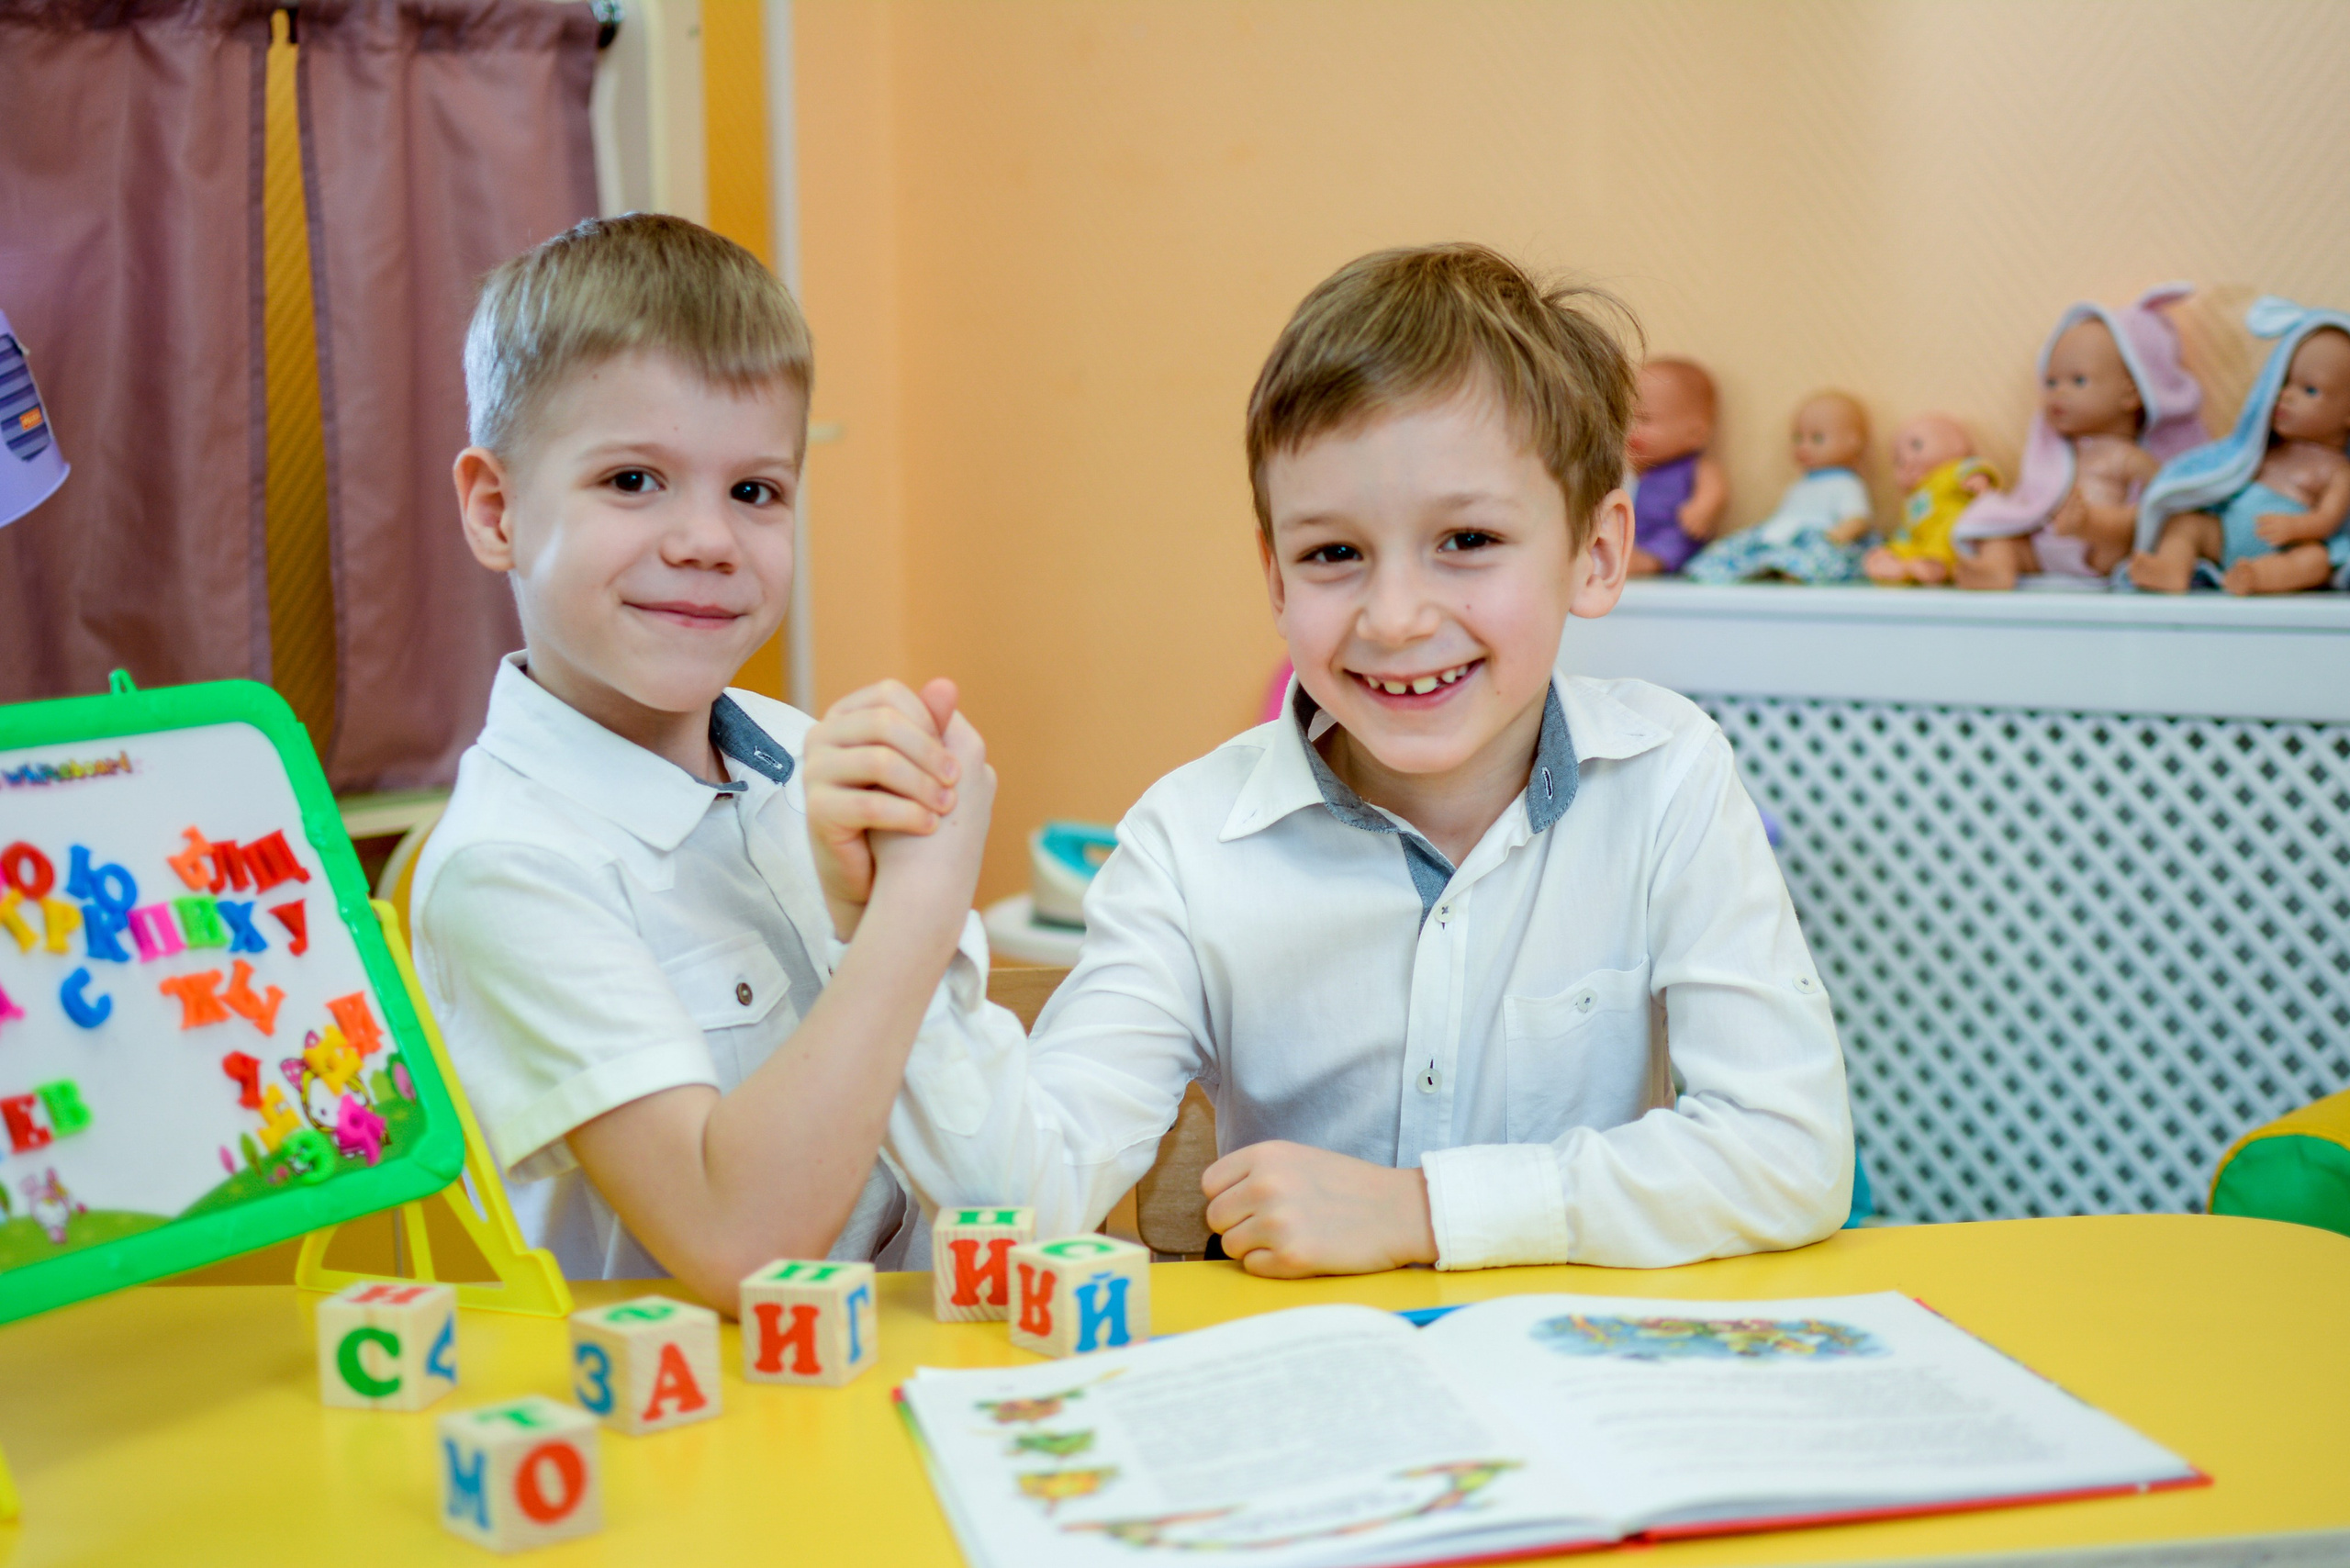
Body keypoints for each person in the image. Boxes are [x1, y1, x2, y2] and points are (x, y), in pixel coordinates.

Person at [867, 243, 1853, 1276]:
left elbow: (1790, 1152)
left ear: (1596, 553)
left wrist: (1426, 1211)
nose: (1394, 618)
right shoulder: (1188, 843)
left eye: (1466, 539)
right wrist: (910, 920)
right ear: (1276, 579)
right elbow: (1018, 1209)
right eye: (1333, 554)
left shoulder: (1667, 776)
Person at [412, 213, 1001, 1305]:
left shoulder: (806, 757)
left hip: (917, 1356)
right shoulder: (509, 865)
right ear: (497, 511)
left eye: (754, 491)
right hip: (706, 1400)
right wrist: (911, 914)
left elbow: (982, 1163)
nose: (708, 541)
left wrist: (880, 907)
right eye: (633, 480)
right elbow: (743, 1247)